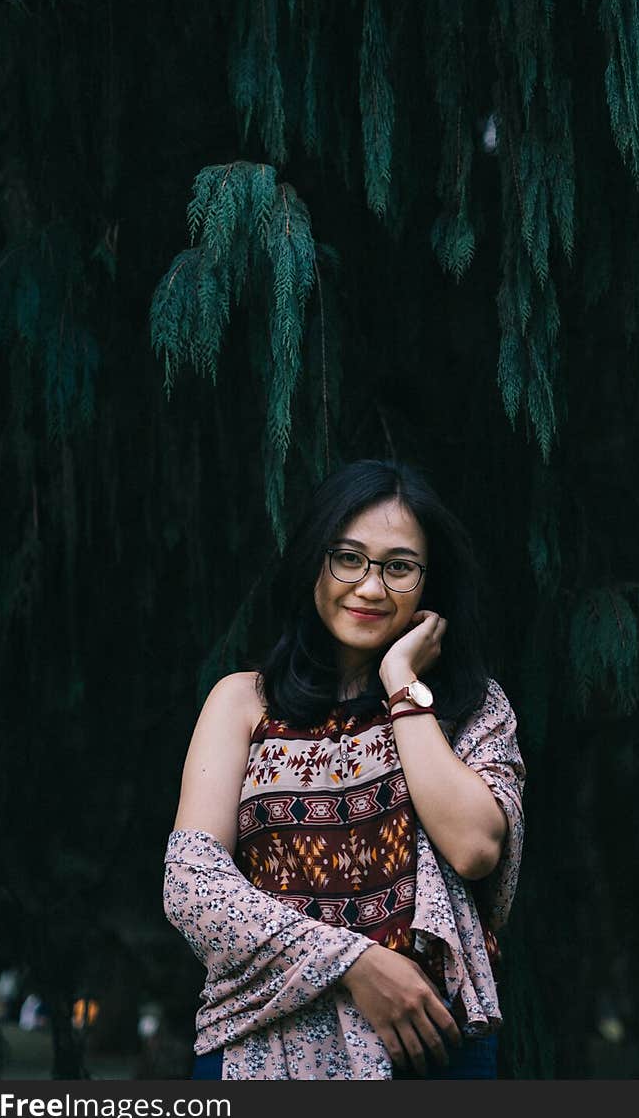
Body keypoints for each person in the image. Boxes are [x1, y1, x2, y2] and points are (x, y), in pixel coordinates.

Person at [163, 458, 526, 1080]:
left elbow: (473, 848)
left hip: (428, 1050)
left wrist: (400, 682)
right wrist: (356, 963)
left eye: (399, 567)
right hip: (264, 1049)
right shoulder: (243, 703)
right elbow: (192, 886)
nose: (369, 587)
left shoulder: (470, 708)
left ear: (429, 584)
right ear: (314, 563)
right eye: (349, 557)